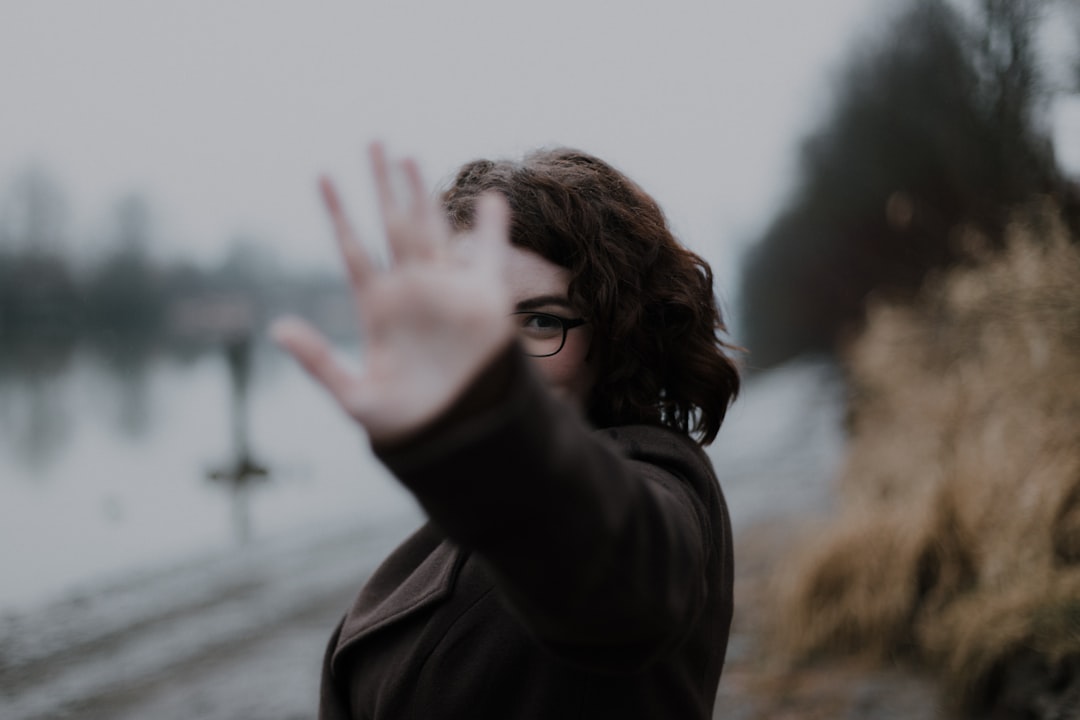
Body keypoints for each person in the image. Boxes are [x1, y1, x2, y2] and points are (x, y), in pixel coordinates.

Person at [272, 143, 741, 720]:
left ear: (621, 333)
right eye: (473, 319)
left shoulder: (653, 481)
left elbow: (627, 592)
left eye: (541, 320)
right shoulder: (486, 502)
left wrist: (491, 426)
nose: (492, 357)